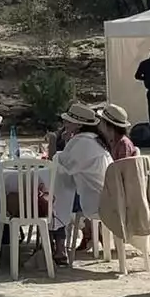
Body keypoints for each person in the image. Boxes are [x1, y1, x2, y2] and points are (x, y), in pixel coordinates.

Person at [51, 102, 112, 260]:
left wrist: (54, 142)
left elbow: (60, 162)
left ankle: (59, 248)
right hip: (106, 194)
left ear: (78, 125)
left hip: (95, 200)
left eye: (67, 121)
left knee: (53, 199)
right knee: (61, 193)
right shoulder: (95, 140)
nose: (64, 124)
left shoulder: (81, 142)